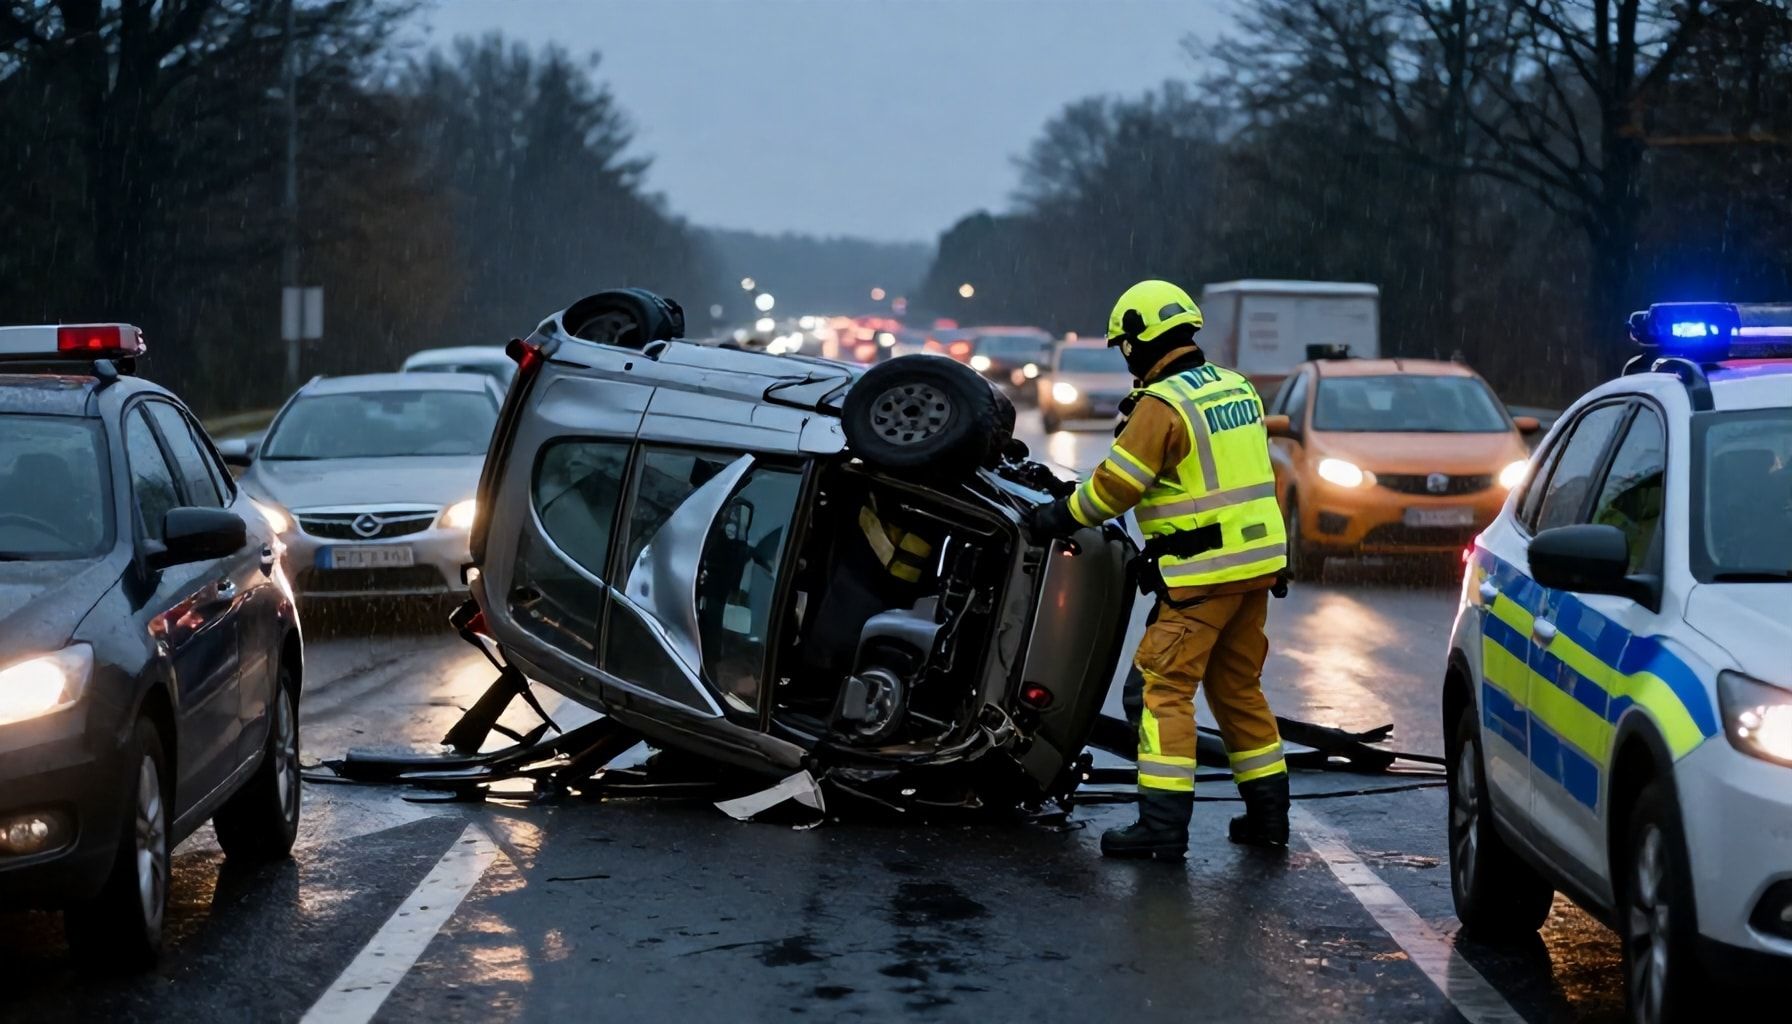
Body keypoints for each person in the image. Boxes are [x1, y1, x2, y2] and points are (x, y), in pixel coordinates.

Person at [1023, 279, 1291, 859]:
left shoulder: (1161, 406)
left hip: (1201, 577)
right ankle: (1269, 819)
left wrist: (1054, 517)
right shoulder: (1235, 387)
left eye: (1126, 346)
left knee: (1156, 693)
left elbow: (1111, 492)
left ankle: (1162, 829)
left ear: (1141, 341)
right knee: (1237, 689)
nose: (1127, 360)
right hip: (1257, 569)